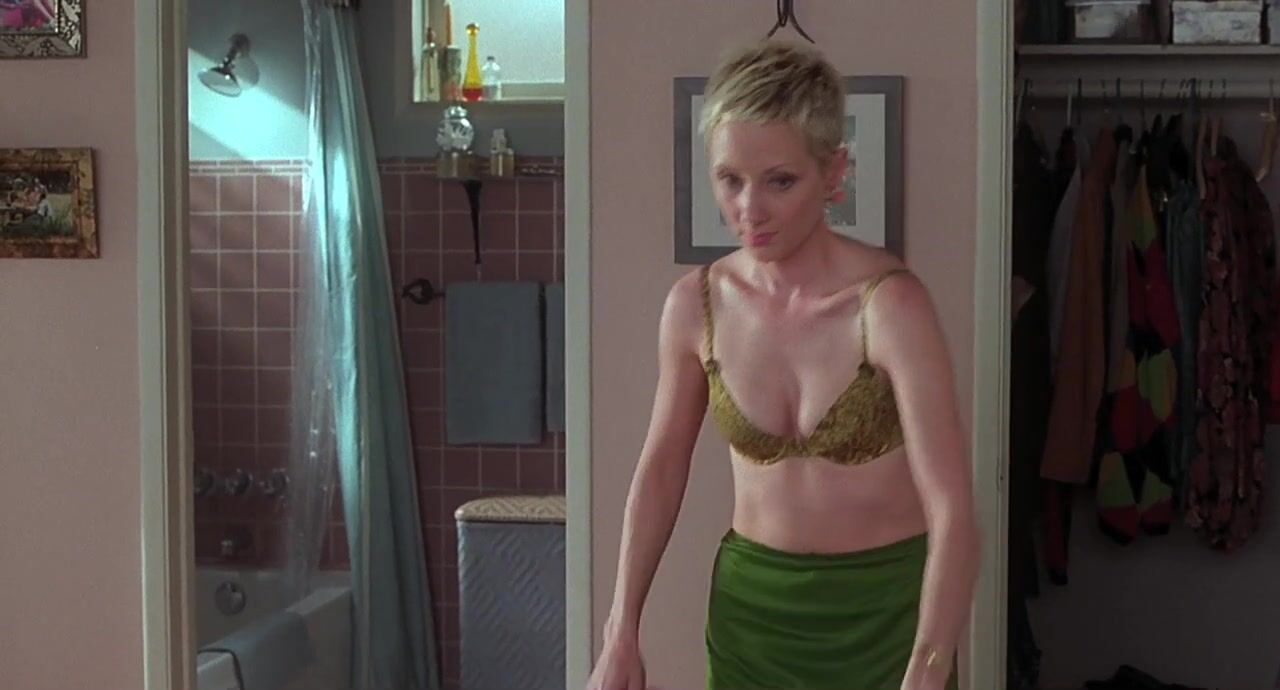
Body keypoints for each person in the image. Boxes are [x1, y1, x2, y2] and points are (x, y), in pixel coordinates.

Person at [586, 39, 980, 690]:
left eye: (779, 181)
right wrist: (620, 632)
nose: (749, 209)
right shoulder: (695, 306)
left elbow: (953, 509)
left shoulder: (890, 306)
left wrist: (929, 666)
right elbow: (660, 470)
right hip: (752, 617)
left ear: (833, 172)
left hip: (889, 618)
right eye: (730, 180)